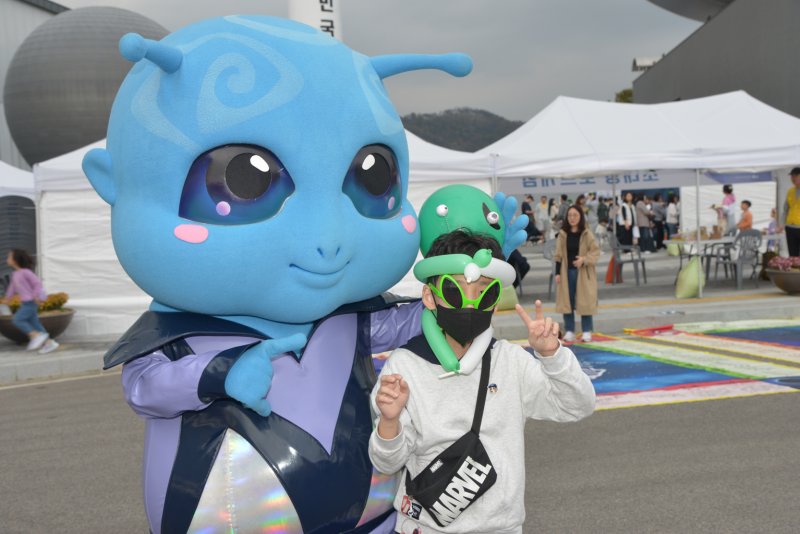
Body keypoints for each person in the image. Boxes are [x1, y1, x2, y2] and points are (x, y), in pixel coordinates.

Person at [368, 230, 595, 534]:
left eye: (483, 293)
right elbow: (387, 462)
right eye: (455, 291)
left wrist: (552, 354)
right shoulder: (405, 366)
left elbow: (577, 406)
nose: (470, 305)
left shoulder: (510, 361)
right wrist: (389, 421)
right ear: (429, 297)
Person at [554, 206, 600, 343]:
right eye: (570, 215)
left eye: (575, 215)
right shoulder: (563, 234)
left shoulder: (586, 233)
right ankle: (570, 330)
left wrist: (584, 260)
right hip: (566, 272)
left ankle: (586, 331)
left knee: (585, 301)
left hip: (583, 273)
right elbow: (558, 255)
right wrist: (557, 273)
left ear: (580, 216)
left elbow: (596, 252)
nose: (572, 218)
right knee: (567, 302)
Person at [2, 249, 59, 354]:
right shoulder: (15, 274)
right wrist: (7, 298)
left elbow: (38, 284)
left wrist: (35, 296)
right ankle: (49, 343)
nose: (7, 259)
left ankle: (36, 336)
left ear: (15, 260)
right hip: (26, 302)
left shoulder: (26, 272)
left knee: (17, 320)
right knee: (35, 323)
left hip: (31, 302)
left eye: (9, 257)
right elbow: (12, 288)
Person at [784, 167, 800, 256]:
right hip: (790, 226)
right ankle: (794, 269)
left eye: (796, 176)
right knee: (792, 254)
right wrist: (782, 224)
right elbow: (785, 209)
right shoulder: (790, 191)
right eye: (792, 176)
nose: (793, 179)